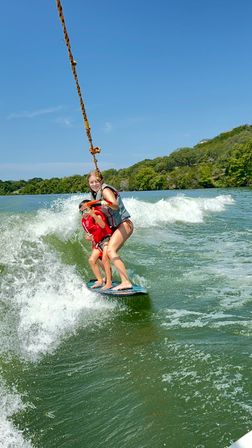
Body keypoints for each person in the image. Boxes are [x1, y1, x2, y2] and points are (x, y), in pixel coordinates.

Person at [87, 170, 134, 291]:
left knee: (111, 250)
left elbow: (114, 205)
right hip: (113, 228)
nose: (94, 184)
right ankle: (109, 279)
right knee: (100, 253)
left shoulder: (106, 190)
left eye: (97, 181)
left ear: (101, 181)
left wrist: (105, 202)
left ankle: (126, 282)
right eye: (91, 182)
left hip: (124, 224)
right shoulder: (94, 194)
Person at [79, 199, 113, 290]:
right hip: (97, 242)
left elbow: (102, 225)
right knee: (91, 260)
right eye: (81, 212)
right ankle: (100, 280)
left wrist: (93, 214)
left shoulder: (97, 214)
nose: (84, 213)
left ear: (91, 209)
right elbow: (89, 233)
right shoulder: (83, 220)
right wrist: (88, 237)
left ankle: (109, 282)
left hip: (106, 238)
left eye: (86, 210)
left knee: (105, 260)